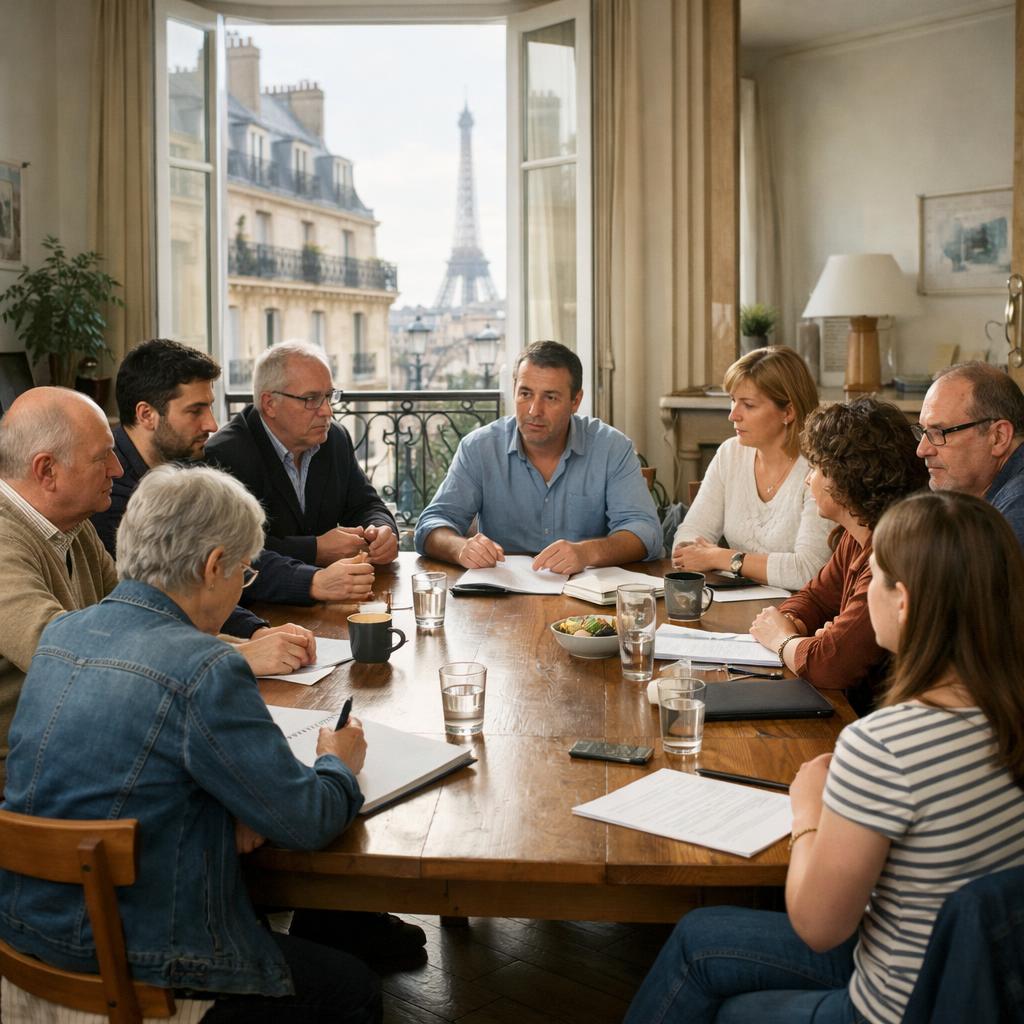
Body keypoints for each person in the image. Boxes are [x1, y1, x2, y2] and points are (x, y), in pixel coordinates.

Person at [624, 490, 1024, 1024]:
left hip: (899, 1003)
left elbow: (818, 925)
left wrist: (809, 809)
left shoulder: (884, 744)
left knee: (733, 1008)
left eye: (875, 576)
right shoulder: (1007, 713)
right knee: (699, 936)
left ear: (902, 601)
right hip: (981, 981)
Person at [0, 464, 382, 1022]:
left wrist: (221, 809)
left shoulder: (62, 635)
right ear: (211, 567)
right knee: (352, 987)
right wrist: (336, 764)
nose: (241, 588)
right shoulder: (206, 668)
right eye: (245, 575)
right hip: (139, 974)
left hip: (26, 948)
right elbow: (307, 820)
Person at [0, 388, 315, 782]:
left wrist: (249, 643)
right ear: (47, 470)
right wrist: (234, 660)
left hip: (96, 736)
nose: (117, 469)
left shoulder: (74, 524)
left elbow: (145, 619)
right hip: (32, 773)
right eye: (103, 457)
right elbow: (63, 656)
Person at [92, 338, 375, 604]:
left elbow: (225, 556)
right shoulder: (109, 488)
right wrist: (311, 581)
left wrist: (256, 630)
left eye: (210, 408)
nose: (212, 425)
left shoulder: (181, 473)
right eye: (196, 411)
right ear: (146, 415)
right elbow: (179, 589)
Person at [414, 340, 663, 574]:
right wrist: (461, 548)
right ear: (513, 391)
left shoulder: (612, 448)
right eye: (525, 394)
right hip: (501, 599)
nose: (534, 410)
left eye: (550, 397)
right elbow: (430, 525)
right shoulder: (479, 448)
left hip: (587, 601)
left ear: (575, 401)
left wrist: (587, 552)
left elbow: (645, 532)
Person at [749, 396, 927, 708]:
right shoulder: (855, 534)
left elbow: (830, 666)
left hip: (876, 718)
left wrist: (781, 639)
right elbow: (815, 598)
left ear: (847, 477)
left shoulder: (890, 553)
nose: (807, 479)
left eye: (816, 467)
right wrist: (797, 627)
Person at [206, 341, 399, 568]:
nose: (327, 410)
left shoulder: (334, 438)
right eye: (311, 399)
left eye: (329, 396)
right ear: (269, 404)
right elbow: (234, 552)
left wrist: (381, 530)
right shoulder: (224, 456)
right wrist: (314, 550)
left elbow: (365, 505)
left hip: (335, 591)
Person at [672, 346, 831, 590]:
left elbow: (808, 570)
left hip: (799, 614)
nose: (733, 415)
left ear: (788, 411)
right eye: (733, 401)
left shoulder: (819, 469)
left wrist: (720, 557)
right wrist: (702, 555)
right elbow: (687, 540)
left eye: (748, 404)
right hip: (733, 603)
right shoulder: (730, 453)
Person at [914, 360, 1024, 544]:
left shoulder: (1017, 510)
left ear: (999, 436)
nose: (922, 450)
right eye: (923, 432)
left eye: (939, 432)